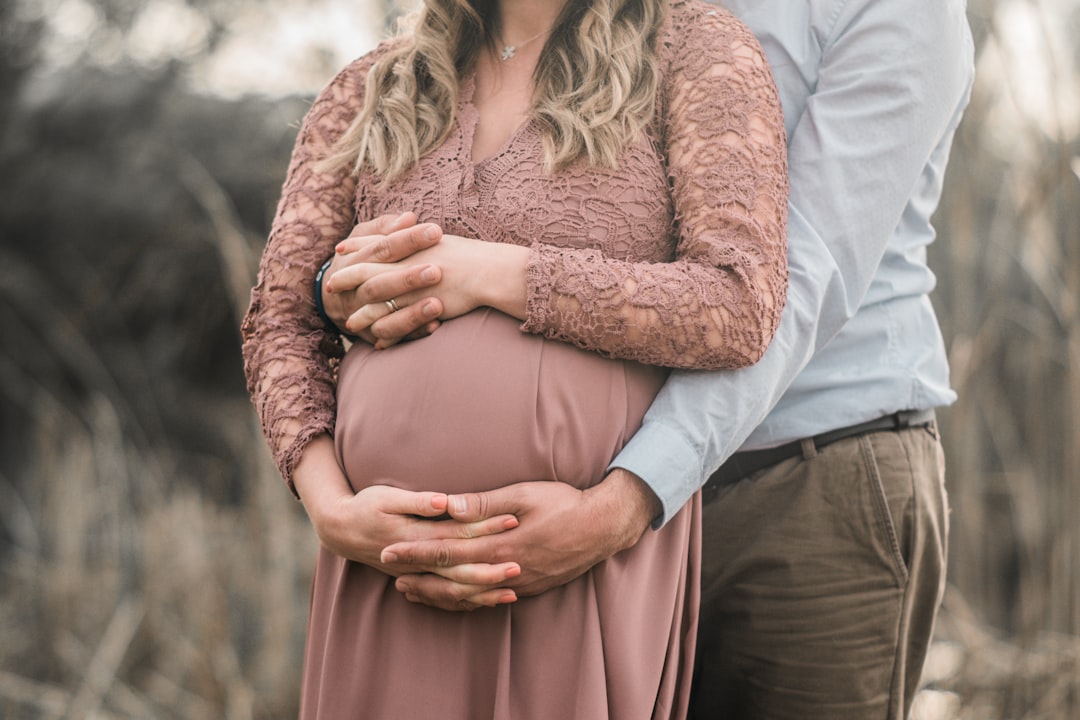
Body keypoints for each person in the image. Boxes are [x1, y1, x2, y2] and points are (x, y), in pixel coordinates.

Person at [316, 0, 976, 717]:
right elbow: (521, 194)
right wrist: (345, 284)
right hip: (599, 492)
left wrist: (630, 499)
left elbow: (797, 286)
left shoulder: (900, 12)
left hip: (804, 479)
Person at [240, 0, 789, 716]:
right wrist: (331, 507)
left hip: (573, 555)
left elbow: (737, 305)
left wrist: (493, 274)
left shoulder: (690, 48)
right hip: (382, 567)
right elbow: (279, 319)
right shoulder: (372, 86)